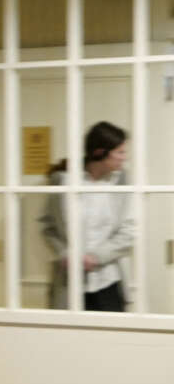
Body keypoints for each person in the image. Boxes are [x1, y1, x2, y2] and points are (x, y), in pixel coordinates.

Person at [40, 121, 135, 311]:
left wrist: (96, 257)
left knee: (111, 338)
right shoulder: (63, 181)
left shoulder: (122, 183)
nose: (124, 158)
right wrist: (63, 253)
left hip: (108, 281)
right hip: (69, 282)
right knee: (68, 338)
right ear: (100, 152)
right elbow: (48, 227)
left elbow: (129, 230)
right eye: (120, 152)